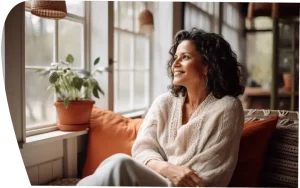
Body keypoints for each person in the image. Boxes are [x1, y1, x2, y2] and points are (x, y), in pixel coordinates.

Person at [76, 28, 245, 188]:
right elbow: (142, 149)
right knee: (115, 165)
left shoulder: (228, 108)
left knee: (120, 164)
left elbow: (207, 174)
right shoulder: (164, 103)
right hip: (157, 180)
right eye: (175, 58)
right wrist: (167, 170)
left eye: (185, 57)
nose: (175, 64)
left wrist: (163, 174)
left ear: (207, 65)